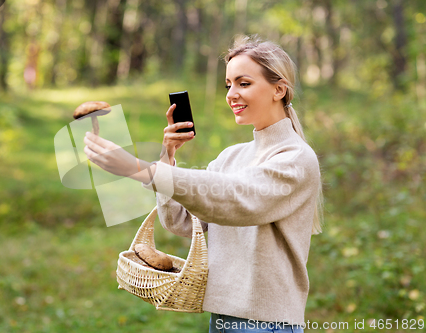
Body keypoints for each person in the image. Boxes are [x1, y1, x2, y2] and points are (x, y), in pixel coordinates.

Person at [84, 35, 323, 333]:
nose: (231, 94)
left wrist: (142, 170)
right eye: (228, 84)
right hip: (222, 319)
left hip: (268, 324)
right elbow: (181, 222)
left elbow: (236, 198)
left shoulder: (296, 158)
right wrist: (167, 157)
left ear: (279, 89)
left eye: (243, 83)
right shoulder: (231, 157)